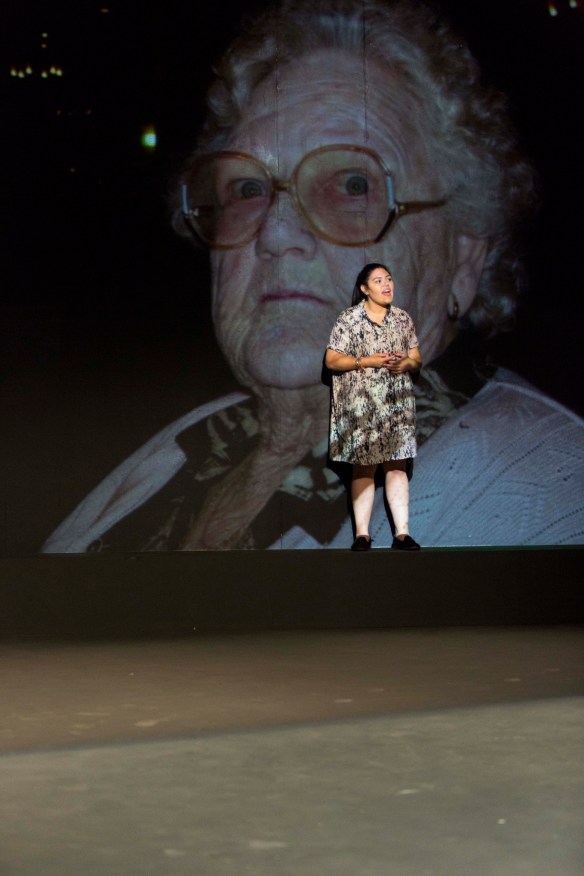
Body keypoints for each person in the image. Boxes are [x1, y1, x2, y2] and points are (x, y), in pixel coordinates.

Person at [43, 0, 584, 552]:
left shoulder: (544, 497)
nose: (274, 234)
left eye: (353, 185)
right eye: (248, 189)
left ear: (464, 258)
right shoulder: (189, 444)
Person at [325, 264, 422, 550]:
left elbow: (416, 359)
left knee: (397, 468)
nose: (386, 284)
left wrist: (406, 363)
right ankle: (362, 535)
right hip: (361, 407)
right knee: (364, 469)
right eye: (378, 281)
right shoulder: (349, 319)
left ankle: (402, 534)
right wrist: (365, 361)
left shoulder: (402, 319)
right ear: (365, 289)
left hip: (396, 406)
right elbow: (332, 360)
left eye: (389, 279)